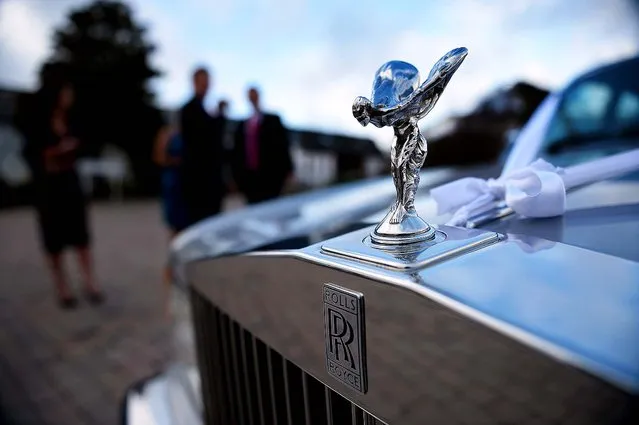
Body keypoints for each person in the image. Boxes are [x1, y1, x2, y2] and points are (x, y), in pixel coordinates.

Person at [18, 69, 103, 309]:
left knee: (80, 235)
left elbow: (88, 144)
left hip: (70, 184)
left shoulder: (73, 120)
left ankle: (89, 281)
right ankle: (62, 287)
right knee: (53, 238)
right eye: (66, 90)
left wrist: (73, 148)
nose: (70, 95)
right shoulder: (37, 122)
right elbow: (30, 153)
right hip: (48, 188)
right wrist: (51, 154)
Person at [179, 67, 225, 225]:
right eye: (202, 82)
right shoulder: (189, 110)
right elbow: (202, 141)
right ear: (194, 83)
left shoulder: (202, 110)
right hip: (199, 183)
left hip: (207, 182)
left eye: (207, 82)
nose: (206, 86)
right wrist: (219, 117)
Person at [231, 86, 294, 204]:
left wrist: (289, 170)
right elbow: (237, 153)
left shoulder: (273, 120)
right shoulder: (242, 125)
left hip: (271, 177)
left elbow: (283, 146)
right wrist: (236, 177)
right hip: (250, 179)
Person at [153, 113, 188, 318]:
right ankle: (173, 271)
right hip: (173, 185)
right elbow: (158, 157)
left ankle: (180, 268)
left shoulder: (186, 134)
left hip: (185, 185)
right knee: (175, 231)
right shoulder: (166, 134)